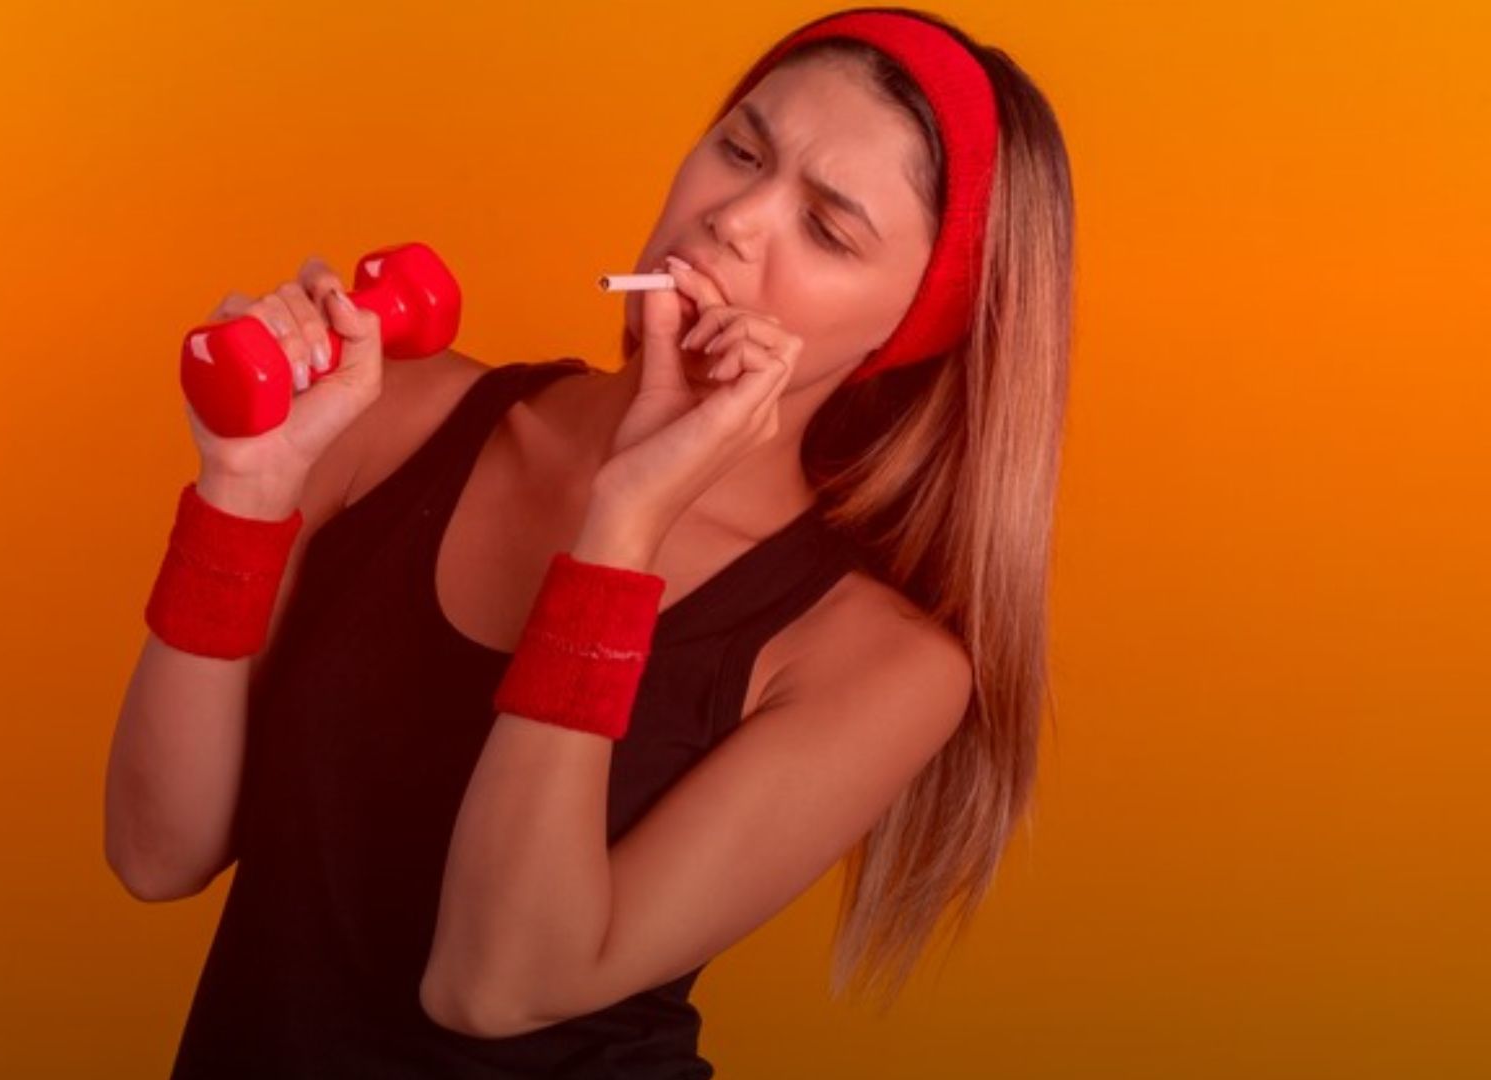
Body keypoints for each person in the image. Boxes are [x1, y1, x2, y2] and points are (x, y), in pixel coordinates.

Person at [107, 6, 1075, 1076]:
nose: (737, 218)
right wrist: (243, 492)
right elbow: (157, 853)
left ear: (902, 330)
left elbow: (492, 984)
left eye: (829, 230)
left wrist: (624, 524)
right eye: (739, 148)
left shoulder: (881, 662)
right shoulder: (391, 413)